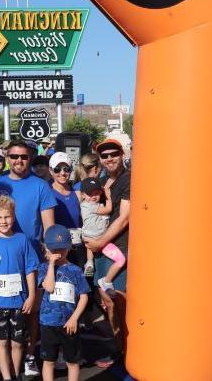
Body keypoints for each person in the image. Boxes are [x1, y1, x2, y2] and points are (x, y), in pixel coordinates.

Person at [0, 141, 56, 377]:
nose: (19, 161)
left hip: (31, 257)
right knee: (1, 310)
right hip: (2, 256)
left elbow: (49, 226)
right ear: (7, 157)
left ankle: (29, 355)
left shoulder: (41, 186)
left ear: (31, 158)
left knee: (31, 310)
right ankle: (1, 360)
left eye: (24, 157)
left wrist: (51, 256)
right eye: (14, 156)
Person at [83, 139, 130, 366]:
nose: (109, 158)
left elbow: (124, 218)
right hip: (100, 249)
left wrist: (100, 242)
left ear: (122, 154)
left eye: (113, 153)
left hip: (118, 247)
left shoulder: (128, 179)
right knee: (106, 301)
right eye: (104, 155)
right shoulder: (100, 180)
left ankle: (127, 353)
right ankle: (119, 349)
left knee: (118, 301)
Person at [0, 196, 38, 381]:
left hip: (19, 302)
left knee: (18, 343)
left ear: (13, 217)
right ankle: (6, 377)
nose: (4, 221)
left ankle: (15, 373)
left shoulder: (22, 240)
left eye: (7, 217)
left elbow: (30, 269)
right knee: (1, 341)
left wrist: (31, 296)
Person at [38, 225, 89, 381]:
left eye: (62, 249)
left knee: (72, 362)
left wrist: (74, 318)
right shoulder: (43, 268)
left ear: (69, 248)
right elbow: (49, 287)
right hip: (48, 323)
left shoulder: (76, 271)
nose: (58, 253)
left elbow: (84, 296)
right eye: (54, 249)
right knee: (49, 361)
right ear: (47, 248)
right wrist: (51, 265)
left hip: (69, 323)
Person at [79, 177, 124, 289]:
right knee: (121, 259)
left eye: (97, 193)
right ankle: (106, 280)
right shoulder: (90, 206)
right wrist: (108, 197)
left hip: (88, 237)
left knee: (89, 246)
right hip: (100, 239)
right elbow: (108, 209)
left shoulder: (85, 204)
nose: (94, 197)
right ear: (83, 195)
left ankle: (89, 262)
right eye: (90, 194)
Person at [49, 152, 81, 230]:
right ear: (50, 170)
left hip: (78, 241)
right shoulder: (47, 193)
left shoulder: (78, 193)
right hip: (57, 241)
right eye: (57, 169)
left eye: (66, 169)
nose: (63, 173)